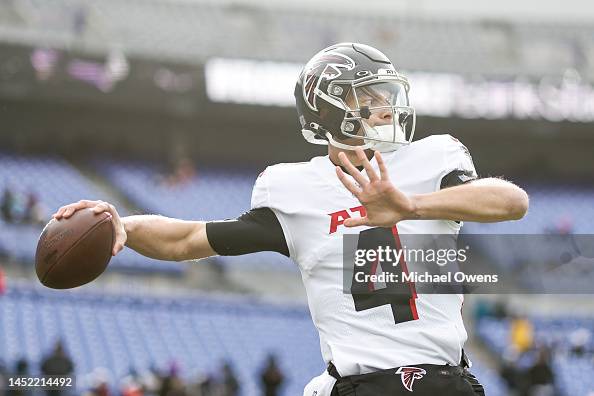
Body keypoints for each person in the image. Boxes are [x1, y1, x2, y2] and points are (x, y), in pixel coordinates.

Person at [53, 43, 529, 396]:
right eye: (370, 99)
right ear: (331, 110)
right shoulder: (294, 190)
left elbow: (512, 202)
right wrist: (126, 225)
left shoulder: (431, 159)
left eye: (386, 95)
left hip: (432, 379)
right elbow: (188, 239)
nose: (388, 107)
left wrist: (412, 207)